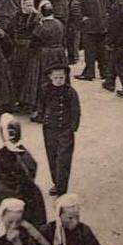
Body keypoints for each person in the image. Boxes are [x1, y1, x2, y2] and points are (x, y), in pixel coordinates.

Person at [0, 114, 47, 228]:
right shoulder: (25, 154)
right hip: (28, 192)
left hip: (3, 192)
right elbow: (32, 170)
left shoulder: (2, 154)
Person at [39, 65, 80, 197]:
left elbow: (76, 110)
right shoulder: (45, 90)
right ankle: (57, 183)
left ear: (65, 77)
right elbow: (41, 105)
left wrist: (73, 127)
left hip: (65, 130)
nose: (58, 80)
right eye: (55, 77)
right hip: (49, 128)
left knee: (63, 159)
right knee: (52, 157)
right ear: (50, 77)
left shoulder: (70, 92)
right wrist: (41, 117)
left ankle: (62, 189)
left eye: (61, 77)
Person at [71, 0, 110, 81]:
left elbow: (74, 7)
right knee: (102, 50)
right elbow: (111, 5)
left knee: (90, 50)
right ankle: (104, 72)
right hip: (103, 25)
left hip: (89, 26)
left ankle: (89, 73)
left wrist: (82, 18)